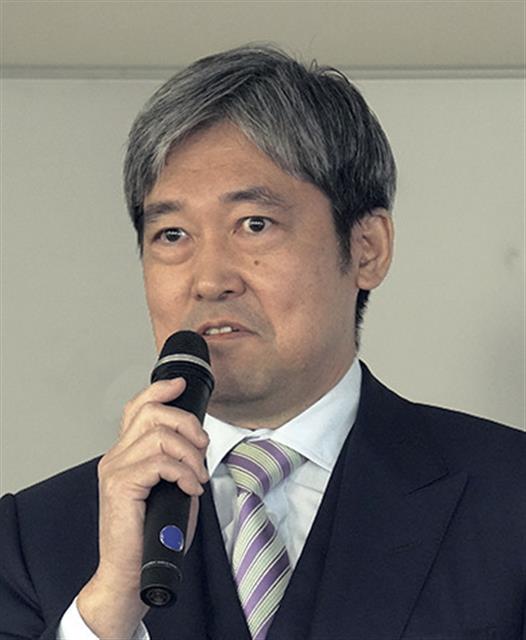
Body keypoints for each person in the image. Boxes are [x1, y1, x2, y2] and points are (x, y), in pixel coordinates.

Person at [1, 45, 525, 640]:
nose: (209, 280)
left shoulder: (509, 497)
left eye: (254, 224)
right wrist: (108, 609)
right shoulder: (32, 538)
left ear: (367, 249)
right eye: (171, 234)